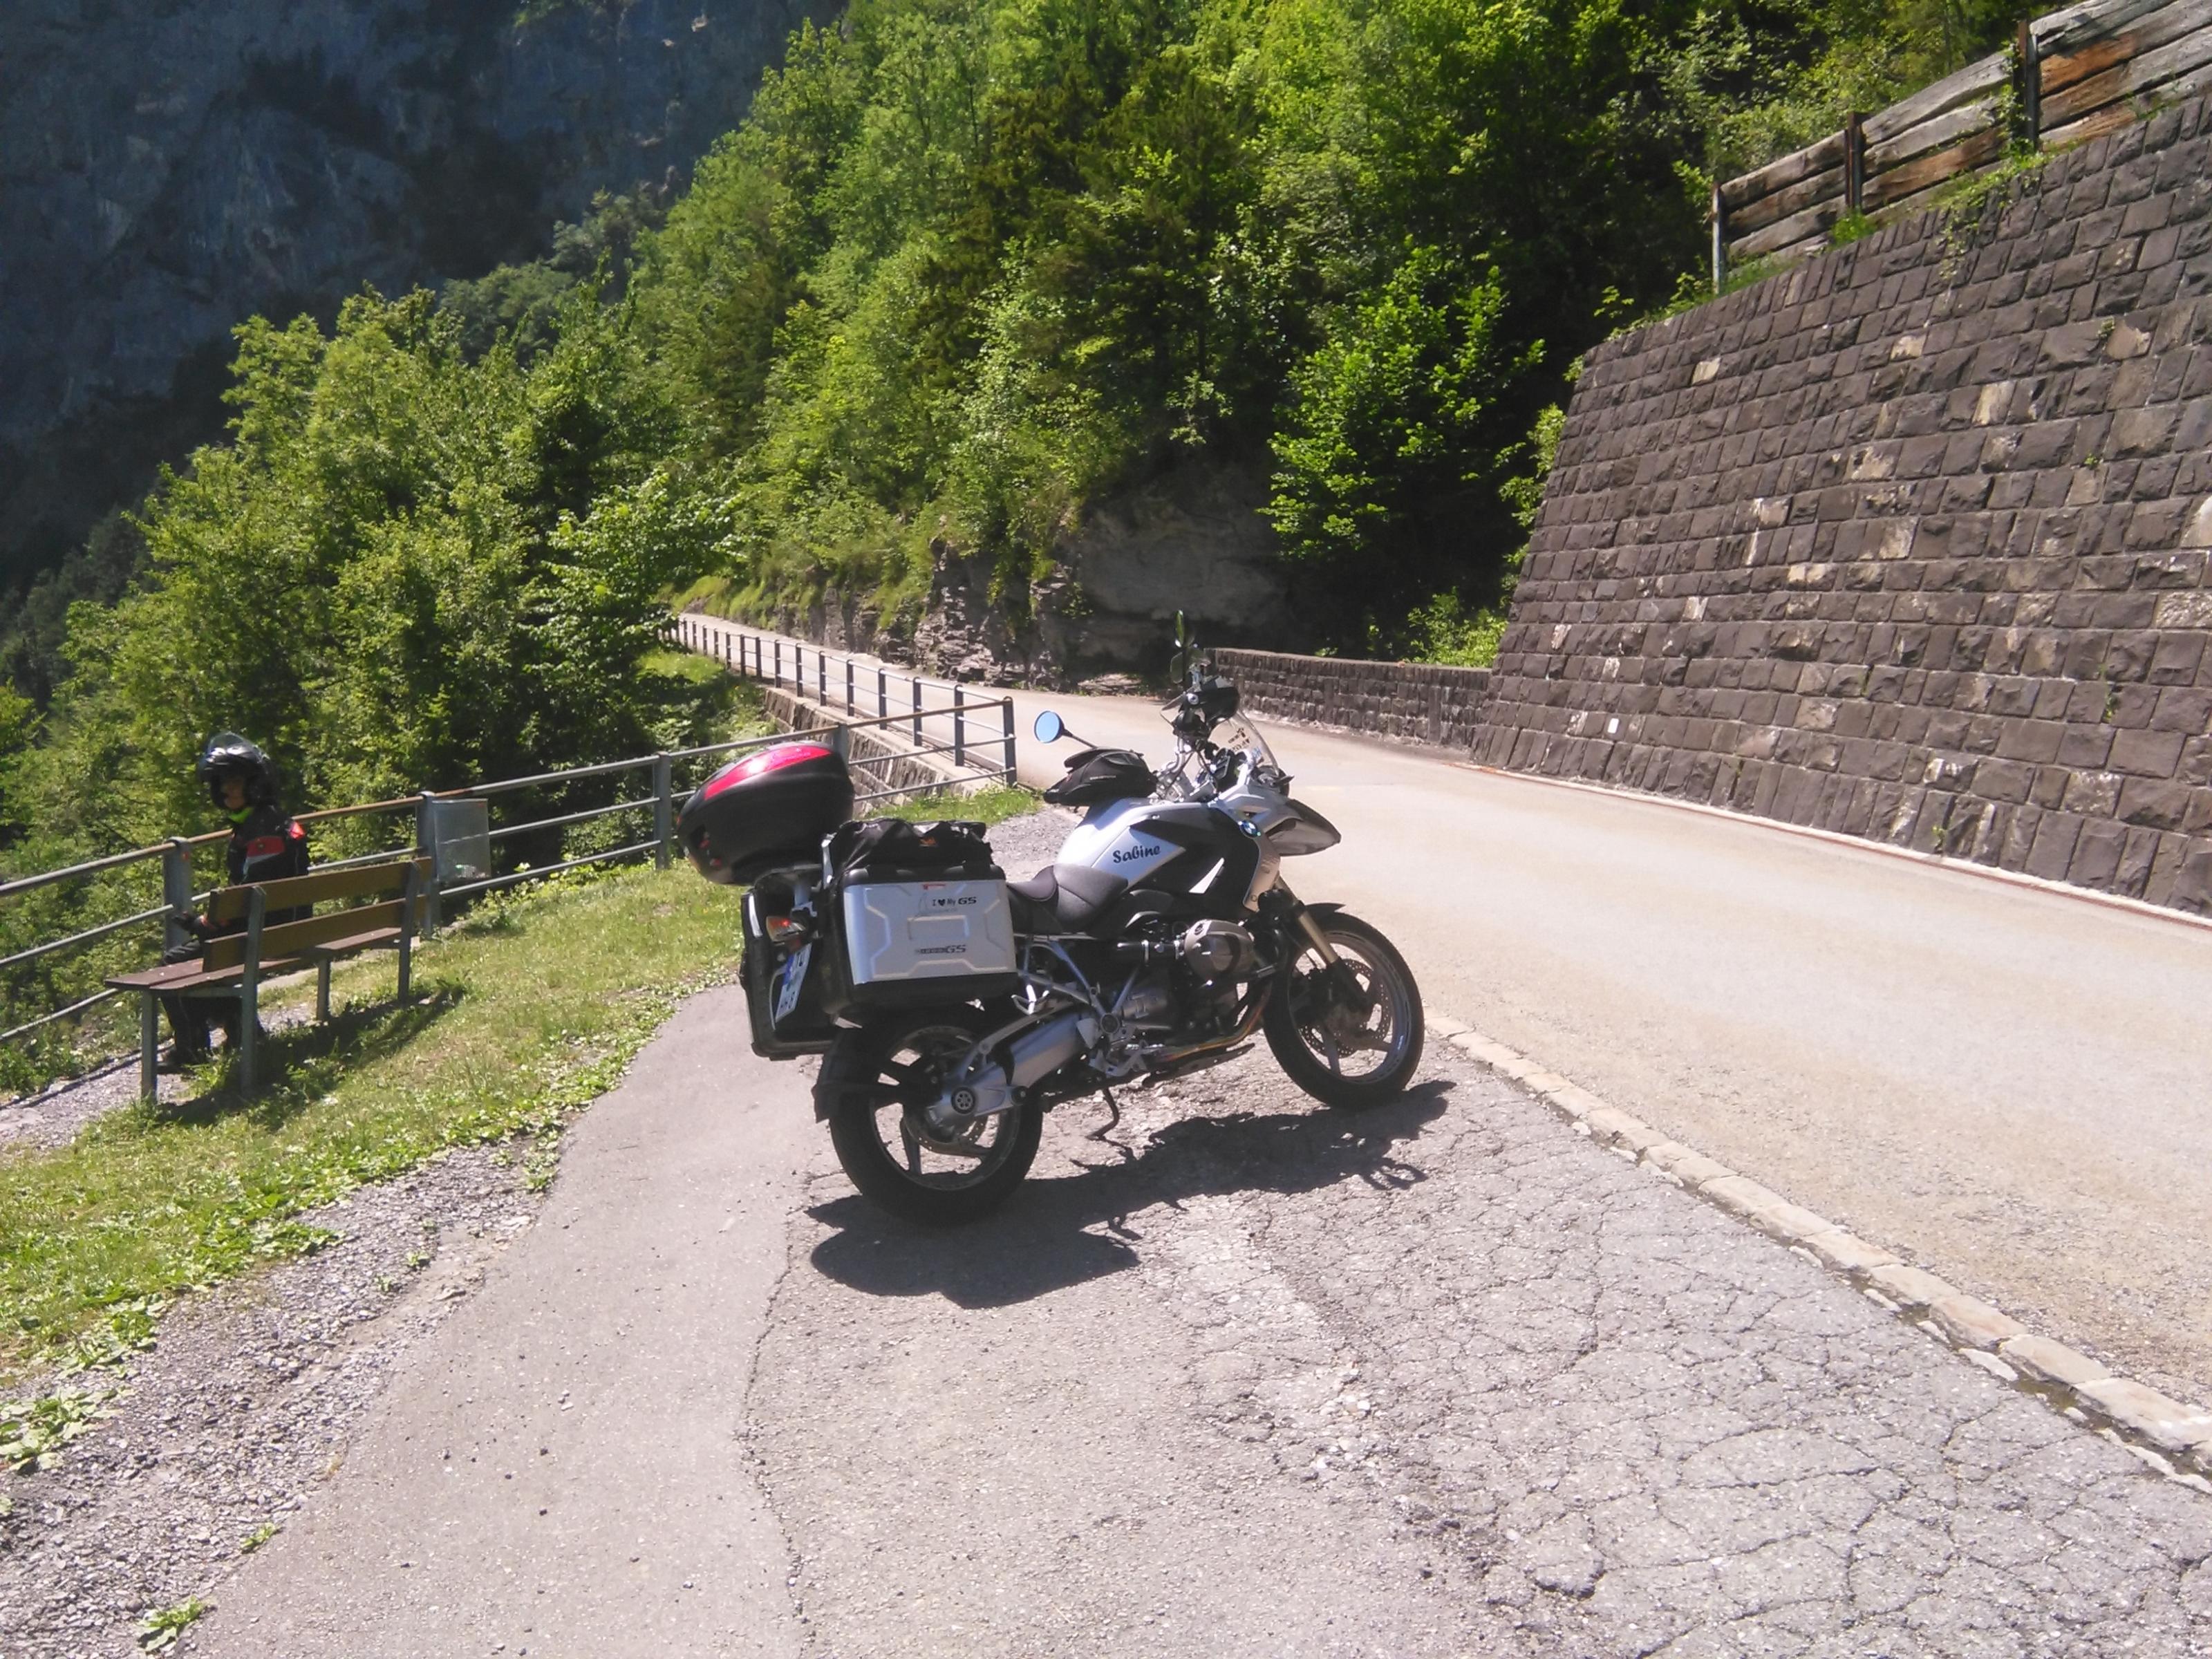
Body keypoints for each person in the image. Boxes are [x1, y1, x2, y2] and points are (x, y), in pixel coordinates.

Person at [159, 733, 312, 1065]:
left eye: (235, 782)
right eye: (222, 783)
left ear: (255, 783)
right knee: (212, 955)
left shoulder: (262, 833)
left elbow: (246, 897)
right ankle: (243, 1028)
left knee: (171, 965)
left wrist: (202, 923)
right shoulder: (277, 822)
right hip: (285, 930)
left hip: (264, 937)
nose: (226, 789)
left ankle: (192, 1047)